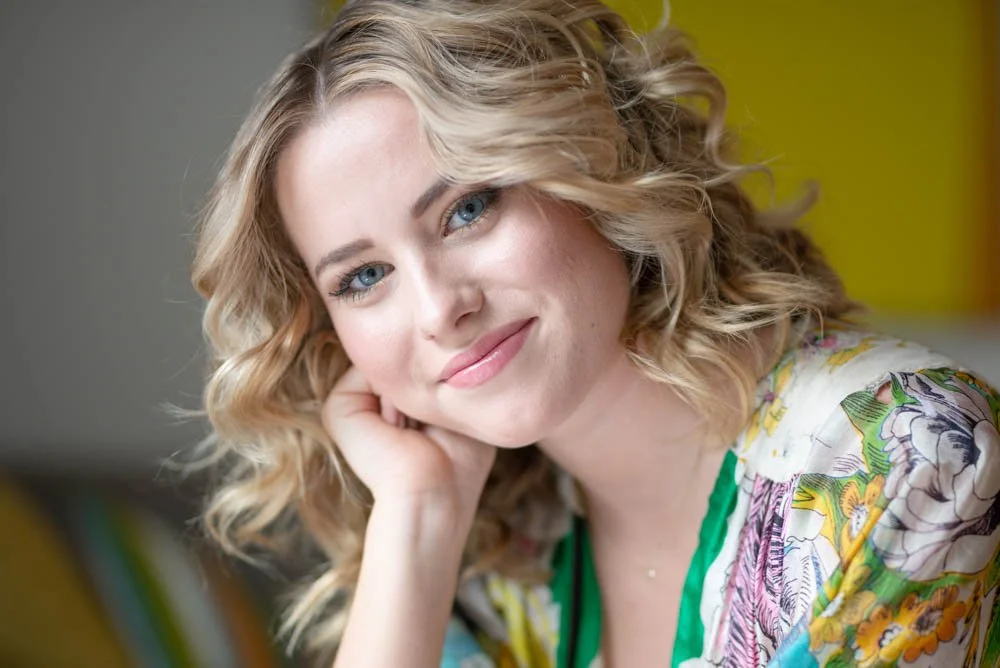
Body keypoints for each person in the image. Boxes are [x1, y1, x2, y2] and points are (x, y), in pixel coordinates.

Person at [190, 0, 1000, 666]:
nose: (439, 310)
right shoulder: (502, 558)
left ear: (593, 164)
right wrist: (420, 512)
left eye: (467, 209)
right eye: (363, 278)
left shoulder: (906, 454)